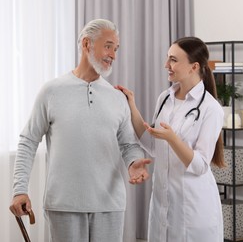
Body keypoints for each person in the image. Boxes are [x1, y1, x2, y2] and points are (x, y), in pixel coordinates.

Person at [9, 18, 151, 242]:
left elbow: (128, 144)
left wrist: (134, 164)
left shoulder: (117, 97)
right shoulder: (52, 91)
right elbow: (28, 140)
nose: (113, 54)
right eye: (108, 45)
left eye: (116, 48)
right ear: (86, 44)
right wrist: (20, 189)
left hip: (110, 206)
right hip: (64, 205)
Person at [116, 36, 225, 242]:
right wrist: (131, 105)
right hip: (162, 206)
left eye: (173, 60)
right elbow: (153, 146)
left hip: (192, 210)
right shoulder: (165, 98)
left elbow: (200, 165)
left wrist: (173, 139)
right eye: (168, 58)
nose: (166, 65)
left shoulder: (211, 109)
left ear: (194, 67)